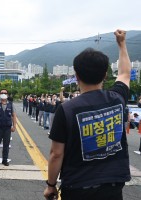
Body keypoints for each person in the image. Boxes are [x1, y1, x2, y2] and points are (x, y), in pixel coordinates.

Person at [44, 30, 131, 200]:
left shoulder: (67, 109)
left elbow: (56, 154)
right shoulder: (117, 99)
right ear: (105, 75)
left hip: (77, 187)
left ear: (76, 76)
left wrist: (51, 185)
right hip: (112, 186)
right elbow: (125, 73)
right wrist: (122, 44)